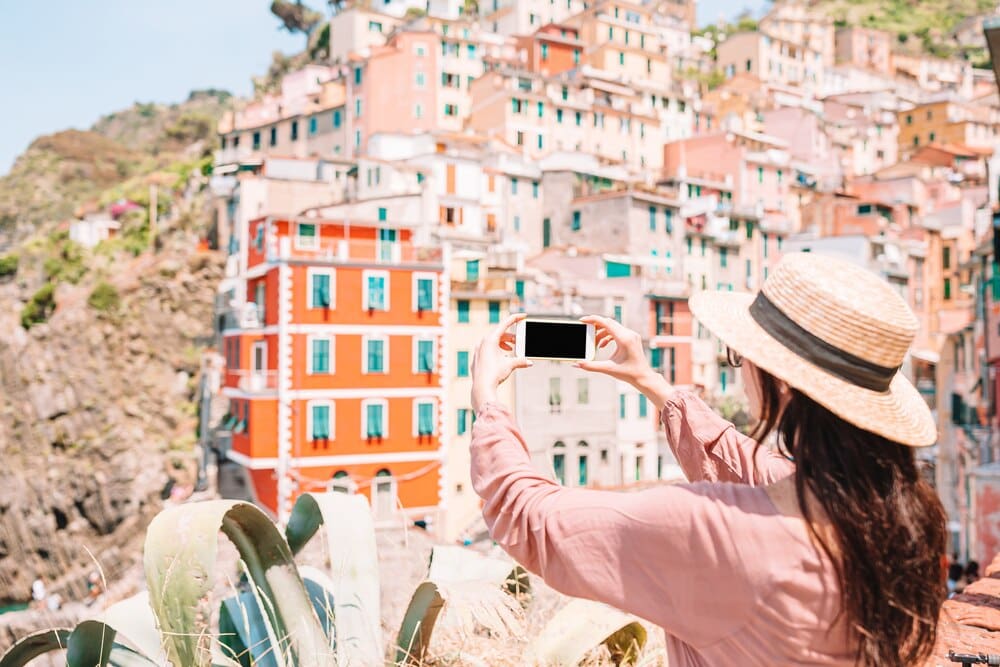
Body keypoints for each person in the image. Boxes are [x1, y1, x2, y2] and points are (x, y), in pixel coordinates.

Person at [470, 253, 946, 667]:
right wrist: (653, 385)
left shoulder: (705, 529)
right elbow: (754, 468)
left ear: (780, 381)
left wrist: (488, 399)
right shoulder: (895, 517)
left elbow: (531, 517)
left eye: (741, 355)